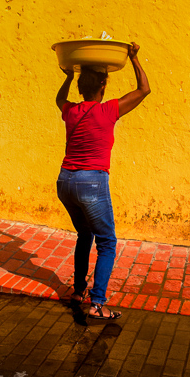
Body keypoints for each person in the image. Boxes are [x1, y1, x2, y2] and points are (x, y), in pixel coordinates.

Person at [55, 42, 151, 321]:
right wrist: (133, 58)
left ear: (81, 87)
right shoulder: (108, 110)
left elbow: (59, 99)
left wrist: (67, 77)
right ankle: (97, 303)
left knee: (85, 234)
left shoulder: (71, 111)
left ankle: (77, 291)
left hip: (65, 181)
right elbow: (144, 89)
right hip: (91, 183)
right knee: (107, 241)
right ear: (103, 86)